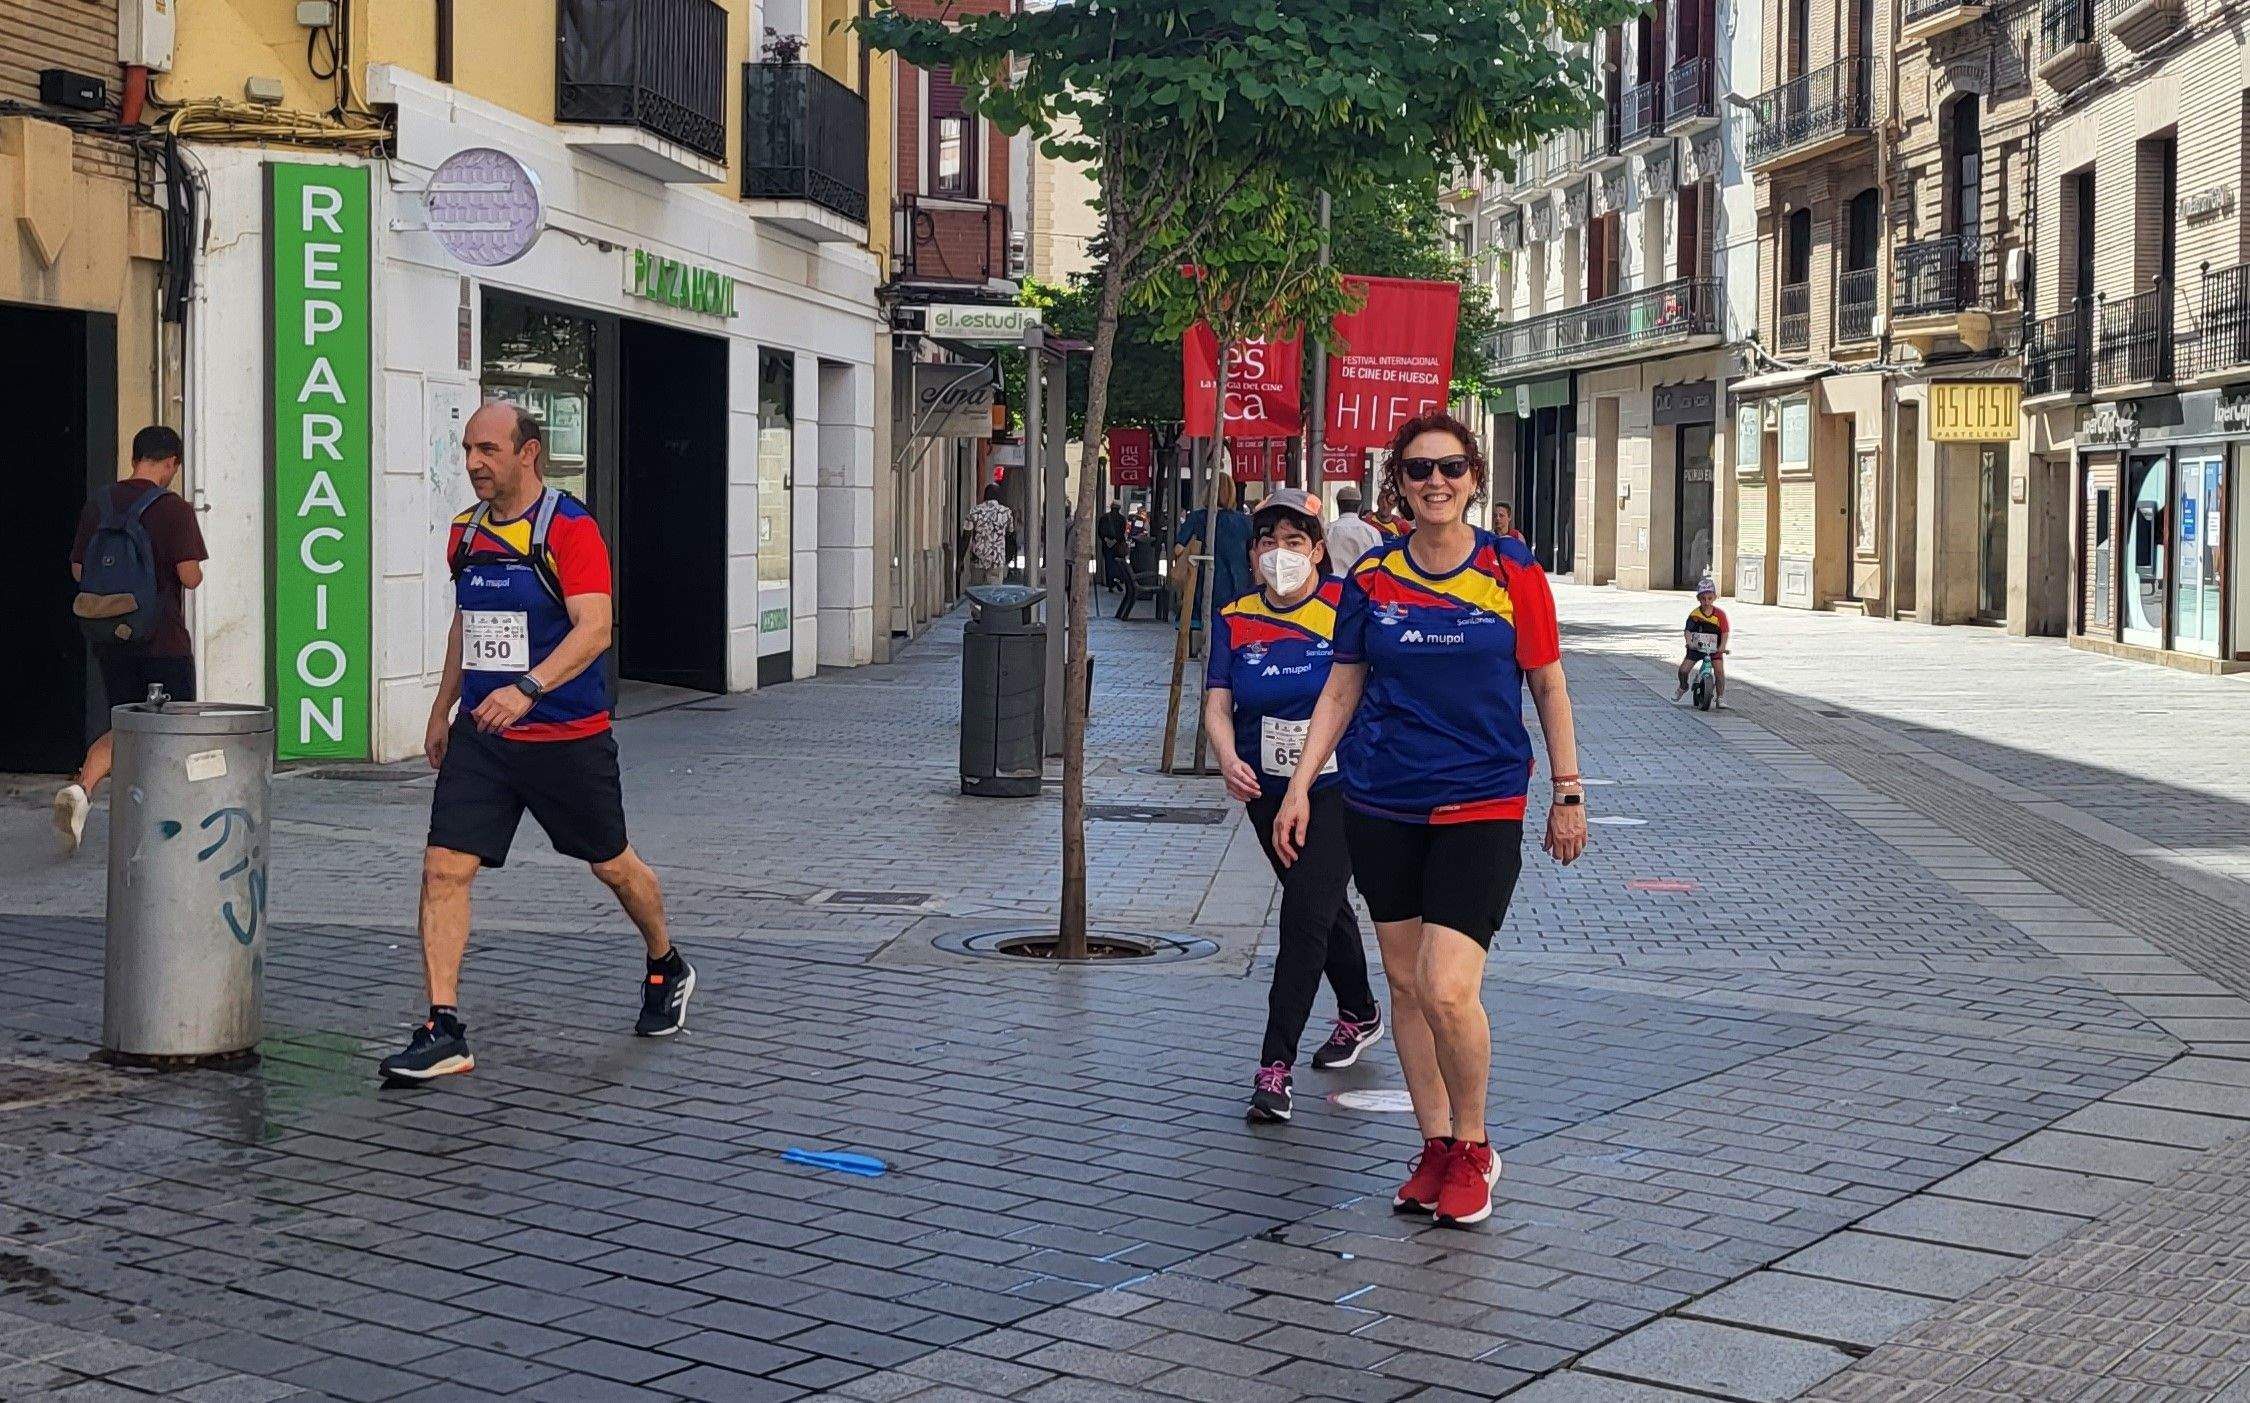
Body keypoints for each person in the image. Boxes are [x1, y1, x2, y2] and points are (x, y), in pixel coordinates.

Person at [1274, 411, 1588, 1228]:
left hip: (1480, 802)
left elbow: (1549, 685)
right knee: (1407, 987)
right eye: (1419, 471)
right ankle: (1436, 1145)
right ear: (1399, 486)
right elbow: (1341, 685)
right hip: (1382, 802)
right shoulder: (1372, 579)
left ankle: (1477, 1145)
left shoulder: (1511, 570)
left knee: (1450, 987)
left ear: (1474, 478)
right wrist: (1304, 783)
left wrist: (1568, 789)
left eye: (1450, 468)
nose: (1436, 482)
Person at [380, 403, 693, 1082]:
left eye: (488, 449)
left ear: (529, 453)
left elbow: (595, 628)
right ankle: (444, 1026)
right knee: (443, 870)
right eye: (467, 449)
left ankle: (666, 962)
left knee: (614, 868)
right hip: (484, 739)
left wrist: (528, 686)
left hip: (566, 739)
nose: (473, 463)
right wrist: (442, 708)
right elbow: (471, 621)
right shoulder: (465, 534)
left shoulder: (569, 529)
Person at [1203, 488, 1385, 1124]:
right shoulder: (1233, 618)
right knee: (1324, 905)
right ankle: (1360, 1010)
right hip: (1266, 791)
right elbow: (1219, 700)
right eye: (1269, 544)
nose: (1281, 555)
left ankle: (1272, 1067)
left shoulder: (1343, 608)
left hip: (1339, 789)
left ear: (1317, 552)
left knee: (1303, 917)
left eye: (1295, 543)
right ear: (1253, 555)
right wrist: (1227, 758)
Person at [54, 426, 208, 855]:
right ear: (171, 463)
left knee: (125, 723)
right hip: (163, 641)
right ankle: (168, 828)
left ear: (135, 457)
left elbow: (80, 572)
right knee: (169, 728)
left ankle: (83, 789)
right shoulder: (173, 508)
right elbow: (189, 577)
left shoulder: (100, 503)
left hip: (111, 637)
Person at [1172, 472, 1253, 617]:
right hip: (1238, 586)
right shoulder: (1244, 522)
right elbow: (1252, 553)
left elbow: (1178, 549)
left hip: (1202, 587)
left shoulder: (1197, 518)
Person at [1677, 578, 1730, 707]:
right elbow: (1688, 630)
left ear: (1714, 597)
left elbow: (1724, 632)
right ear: (1699, 599)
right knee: (1683, 670)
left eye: (1709, 598)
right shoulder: (1695, 614)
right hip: (1696, 647)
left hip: (1713, 648)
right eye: (1703, 599)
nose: (1706, 602)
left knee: (1719, 671)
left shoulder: (1720, 615)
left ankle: (1720, 697)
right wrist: (1689, 642)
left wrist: (1722, 646)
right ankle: (1683, 686)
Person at [965, 482, 1014, 588]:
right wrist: (1008, 558)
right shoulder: (1006, 512)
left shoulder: (974, 512)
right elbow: (1010, 537)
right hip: (997, 560)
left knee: (977, 595)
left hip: (978, 560)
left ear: (985, 496)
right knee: (994, 594)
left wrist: (960, 559)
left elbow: (966, 535)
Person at [1325, 486, 1384, 571]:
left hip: (1333, 583)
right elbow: (1379, 563)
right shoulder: (1372, 533)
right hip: (1360, 583)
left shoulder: (1327, 531)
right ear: (1359, 506)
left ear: (1338, 505)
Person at [1098, 500, 1129, 592]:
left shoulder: (1104, 517)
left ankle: (1110, 583)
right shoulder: (1122, 519)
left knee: (1108, 564)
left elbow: (1100, 531)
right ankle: (1118, 580)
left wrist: (1106, 540)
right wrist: (1115, 540)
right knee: (1119, 564)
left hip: (1107, 545)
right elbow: (1122, 532)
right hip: (1118, 545)